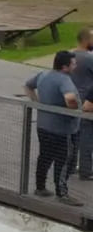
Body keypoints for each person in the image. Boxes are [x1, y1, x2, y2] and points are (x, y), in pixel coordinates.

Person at [25, 51, 82, 205]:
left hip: (44, 125)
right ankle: (62, 193)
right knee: (64, 160)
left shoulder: (43, 75)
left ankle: (40, 187)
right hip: (63, 129)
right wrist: (75, 112)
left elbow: (28, 85)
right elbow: (70, 99)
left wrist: (37, 104)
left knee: (45, 156)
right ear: (65, 67)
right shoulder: (64, 80)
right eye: (73, 63)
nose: (75, 65)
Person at [72, 27, 93, 180]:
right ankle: (86, 170)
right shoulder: (90, 59)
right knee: (86, 137)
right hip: (87, 103)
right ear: (86, 40)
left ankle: (71, 166)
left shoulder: (68, 56)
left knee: (73, 135)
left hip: (71, 102)